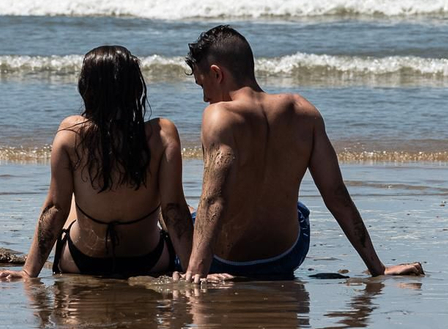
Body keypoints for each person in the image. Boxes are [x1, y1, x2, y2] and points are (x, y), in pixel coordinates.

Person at [180, 25, 424, 280]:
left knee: (180, 212)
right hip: (286, 256)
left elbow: (214, 199)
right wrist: (378, 268)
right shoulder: (303, 111)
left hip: (224, 261)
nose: (205, 98)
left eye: (202, 85)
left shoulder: (218, 116)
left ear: (217, 74)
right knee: (297, 209)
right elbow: (336, 195)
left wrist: (197, 273)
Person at [0, 45, 193, 281]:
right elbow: (173, 210)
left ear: (87, 88)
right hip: (148, 260)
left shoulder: (70, 133)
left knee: (72, 197)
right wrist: (194, 271)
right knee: (171, 204)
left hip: (82, 260)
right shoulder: (162, 133)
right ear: (135, 88)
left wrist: (28, 271)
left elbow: (55, 209)